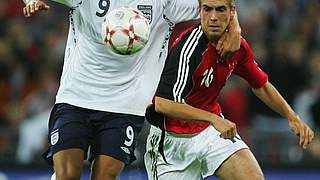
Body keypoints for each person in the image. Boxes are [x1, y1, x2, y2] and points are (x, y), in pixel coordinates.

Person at [21, 0, 241, 179]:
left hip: (126, 106)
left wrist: (235, 25)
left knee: (105, 177)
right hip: (76, 98)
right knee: (67, 175)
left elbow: (215, 4)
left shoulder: (163, 3)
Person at [144, 0, 315, 179]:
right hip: (172, 141)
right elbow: (163, 104)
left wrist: (292, 117)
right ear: (199, 11)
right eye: (207, 9)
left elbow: (261, 86)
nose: (213, 17)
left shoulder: (238, 47)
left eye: (220, 10)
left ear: (232, 12)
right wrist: (213, 119)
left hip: (210, 132)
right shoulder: (189, 48)